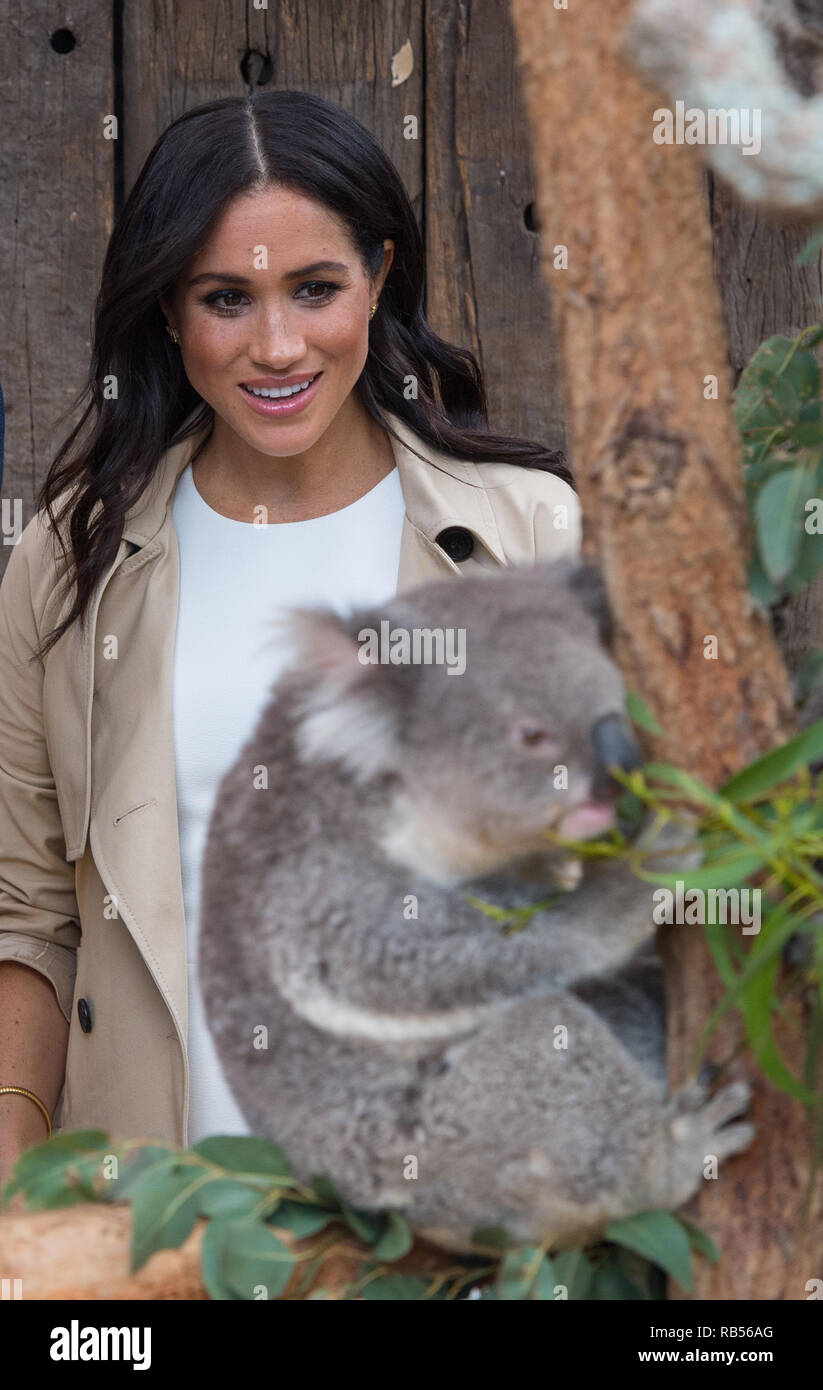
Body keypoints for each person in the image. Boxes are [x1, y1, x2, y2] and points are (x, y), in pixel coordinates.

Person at [0, 89, 581, 1197]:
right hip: (150, 1229)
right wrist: (12, 1163)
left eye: (314, 289)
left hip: (451, 1237)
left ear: (378, 278)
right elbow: (25, 912)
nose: (277, 345)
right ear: (170, 312)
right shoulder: (69, 562)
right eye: (228, 297)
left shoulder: (531, 538)